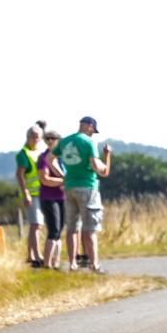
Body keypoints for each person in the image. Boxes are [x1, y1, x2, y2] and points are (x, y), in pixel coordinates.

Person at [57, 115, 112, 273]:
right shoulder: (89, 143)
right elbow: (99, 168)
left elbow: (50, 158)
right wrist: (107, 156)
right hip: (87, 187)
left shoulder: (65, 141)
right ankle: (94, 265)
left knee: (72, 228)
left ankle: (73, 263)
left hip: (69, 186)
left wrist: (62, 174)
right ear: (89, 126)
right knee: (90, 229)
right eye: (93, 130)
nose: (92, 133)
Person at [14, 121, 47, 267]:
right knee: (36, 224)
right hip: (32, 194)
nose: (35, 139)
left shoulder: (40, 151)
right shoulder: (24, 154)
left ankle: (30, 254)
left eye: (38, 136)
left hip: (42, 192)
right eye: (33, 136)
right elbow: (20, 175)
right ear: (28, 137)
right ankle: (37, 256)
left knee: (38, 226)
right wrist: (25, 192)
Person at [36, 128, 66, 268]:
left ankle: (56, 262)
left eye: (53, 139)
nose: (50, 141)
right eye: (47, 139)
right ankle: (47, 264)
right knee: (53, 231)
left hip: (63, 197)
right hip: (49, 198)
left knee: (59, 231)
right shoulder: (44, 158)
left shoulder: (62, 158)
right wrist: (64, 182)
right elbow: (45, 179)